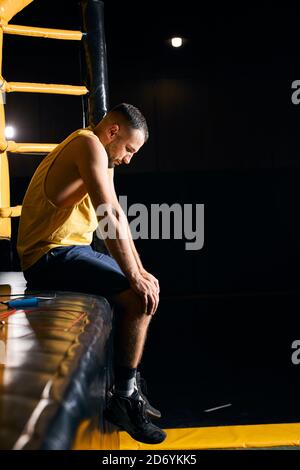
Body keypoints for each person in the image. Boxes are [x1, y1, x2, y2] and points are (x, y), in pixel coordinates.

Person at [17, 103, 166, 444]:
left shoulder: (100, 155)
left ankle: (129, 384)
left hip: (72, 250)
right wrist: (134, 279)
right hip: (49, 255)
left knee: (145, 285)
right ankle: (125, 398)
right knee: (138, 298)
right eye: (129, 149)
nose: (128, 159)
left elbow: (117, 216)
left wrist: (141, 270)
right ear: (112, 131)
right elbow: (108, 214)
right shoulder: (87, 144)